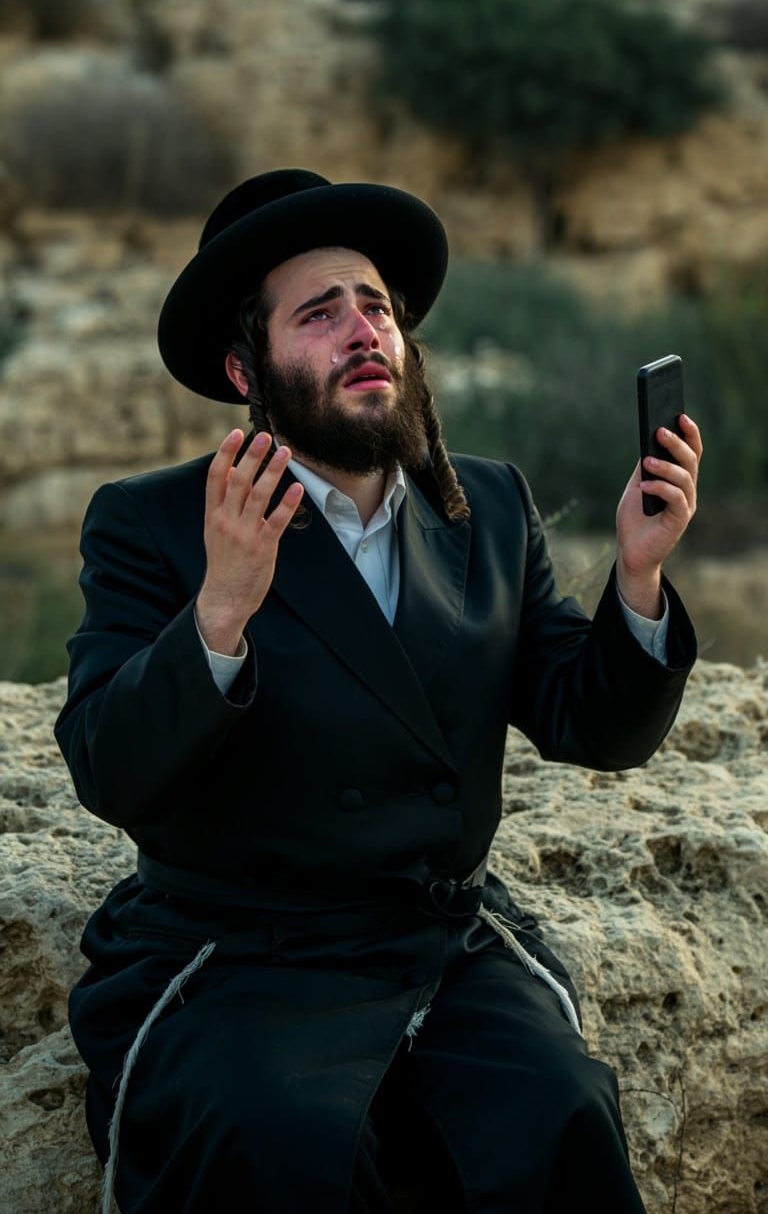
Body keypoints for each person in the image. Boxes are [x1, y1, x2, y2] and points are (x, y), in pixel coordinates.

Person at [56, 168, 701, 1214]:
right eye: (319, 314)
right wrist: (220, 608)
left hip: (439, 941)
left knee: (561, 1110)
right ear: (242, 367)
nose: (365, 331)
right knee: (275, 1141)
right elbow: (107, 766)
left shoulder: (485, 501)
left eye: (377, 308)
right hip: (243, 954)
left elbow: (592, 723)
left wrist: (637, 575)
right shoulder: (154, 523)